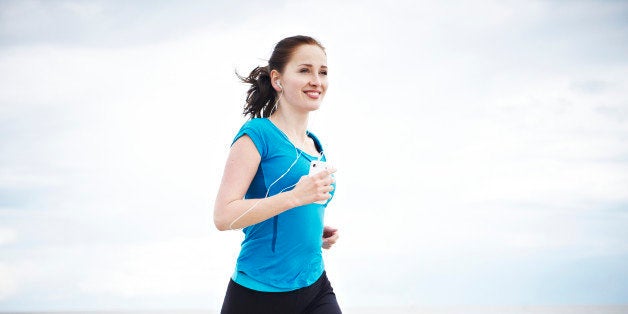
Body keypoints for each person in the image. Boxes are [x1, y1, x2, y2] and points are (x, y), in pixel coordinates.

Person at [213, 35, 342, 314]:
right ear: (277, 79)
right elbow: (224, 216)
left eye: (323, 72)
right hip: (259, 294)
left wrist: (311, 235)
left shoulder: (315, 146)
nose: (316, 80)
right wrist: (296, 197)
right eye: (304, 70)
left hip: (314, 285)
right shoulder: (258, 135)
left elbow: (285, 214)